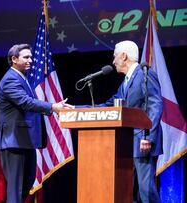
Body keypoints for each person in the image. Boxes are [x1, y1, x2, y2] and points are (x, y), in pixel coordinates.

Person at [67, 40, 163, 203]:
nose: (113, 61)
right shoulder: (126, 82)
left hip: (142, 140)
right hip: (126, 143)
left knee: (146, 191)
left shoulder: (145, 74)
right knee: (130, 191)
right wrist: (76, 109)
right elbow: (108, 105)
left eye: (115, 56)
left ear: (124, 56)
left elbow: (155, 105)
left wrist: (148, 136)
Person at [0, 44, 68, 203]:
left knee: (25, 185)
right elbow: (25, 102)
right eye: (26, 57)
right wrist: (52, 107)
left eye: (31, 57)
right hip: (13, 141)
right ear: (14, 59)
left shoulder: (22, 78)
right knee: (16, 190)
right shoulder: (10, 79)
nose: (31, 60)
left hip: (24, 141)